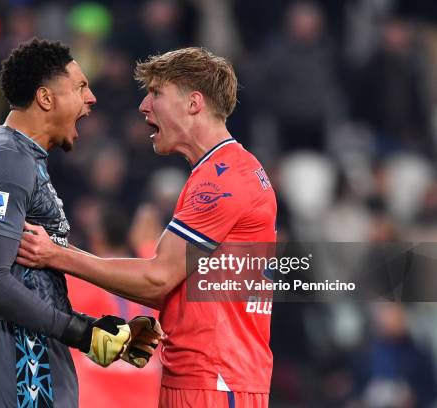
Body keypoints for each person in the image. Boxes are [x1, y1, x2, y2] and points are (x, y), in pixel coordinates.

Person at [17, 47, 277, 408]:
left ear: (194, 102)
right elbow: (167, 287)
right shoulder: (221, 172)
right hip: (201, 375)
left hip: (215, 381)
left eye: (156, 93)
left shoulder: (223, 180)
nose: (144, 106)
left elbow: (157, 278)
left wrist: (57, 255)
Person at [0, 38, 162, 408]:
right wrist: (80, 332)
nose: (92, 98)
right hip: (22, 356)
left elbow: (31, 281)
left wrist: (94, 330)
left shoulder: (23, 158)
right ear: (46, 98)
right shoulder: (5, 161)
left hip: (34, 350)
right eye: (81, 87)